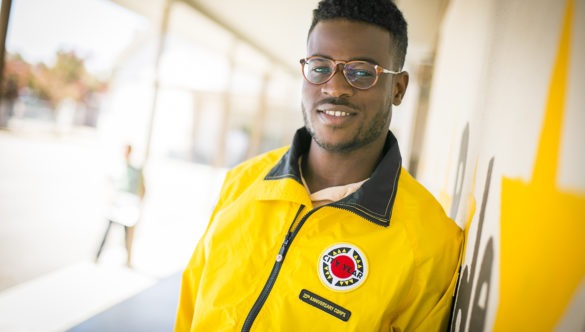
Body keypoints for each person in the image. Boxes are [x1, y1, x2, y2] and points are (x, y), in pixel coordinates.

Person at [175, 0, 463, 330]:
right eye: (320, 66)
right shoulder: (243, 182)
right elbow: (189, 308)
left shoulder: (429, 243)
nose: (335, 87)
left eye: (361, 73)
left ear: (398, 88)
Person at [96, 144, 146, 268]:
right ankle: (97, 256)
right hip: (117, 204)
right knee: (107, 231)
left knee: (127, 234)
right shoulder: (117, 168)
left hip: (128, 205)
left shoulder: (136, 170)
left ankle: (128, 260)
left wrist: (137, 204)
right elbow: (109, 184)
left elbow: (142, 188)